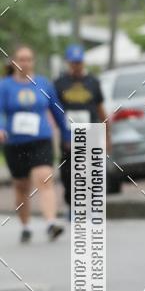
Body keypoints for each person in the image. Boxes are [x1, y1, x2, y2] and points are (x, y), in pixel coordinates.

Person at [0, 45, 71, 242]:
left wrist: (67, 135)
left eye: (28, 59)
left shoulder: (43, 83)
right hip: (15, 142)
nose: (25, 63)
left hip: (41, 139)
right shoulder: (4, 86)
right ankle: (25, 226)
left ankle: (51, 223)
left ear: (33, 62)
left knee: (44, 178)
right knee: (21, 186)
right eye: (21, 59)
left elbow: (57, 110)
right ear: (14, 62)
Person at [54, 44, 109, 215]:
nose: (76, 66)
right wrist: (60, 136)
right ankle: (72, 206)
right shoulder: (59, 83)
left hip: (91, 130)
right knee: (68, 172)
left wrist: (107, 136)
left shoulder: (93, 82)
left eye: (78, 62)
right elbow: (54, 111)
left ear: (83, 62)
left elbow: (100, 109)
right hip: (69, 133)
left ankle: (92, 206)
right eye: (73, 62)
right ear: (68, 63)